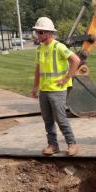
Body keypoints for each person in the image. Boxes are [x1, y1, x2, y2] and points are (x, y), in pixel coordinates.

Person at [30, 16, 82, 156]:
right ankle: (53, 145)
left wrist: (66, 78)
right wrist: (35, 87)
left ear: (48, 33)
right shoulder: (40, 49)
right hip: (44, 90)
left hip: (57, 90)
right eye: (37, 32)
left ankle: (72, 144)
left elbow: (76, 60)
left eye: (40, 32)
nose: (38, 35)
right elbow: (38, 69)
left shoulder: (58, 47)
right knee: (47, 120)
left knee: (61, 118)